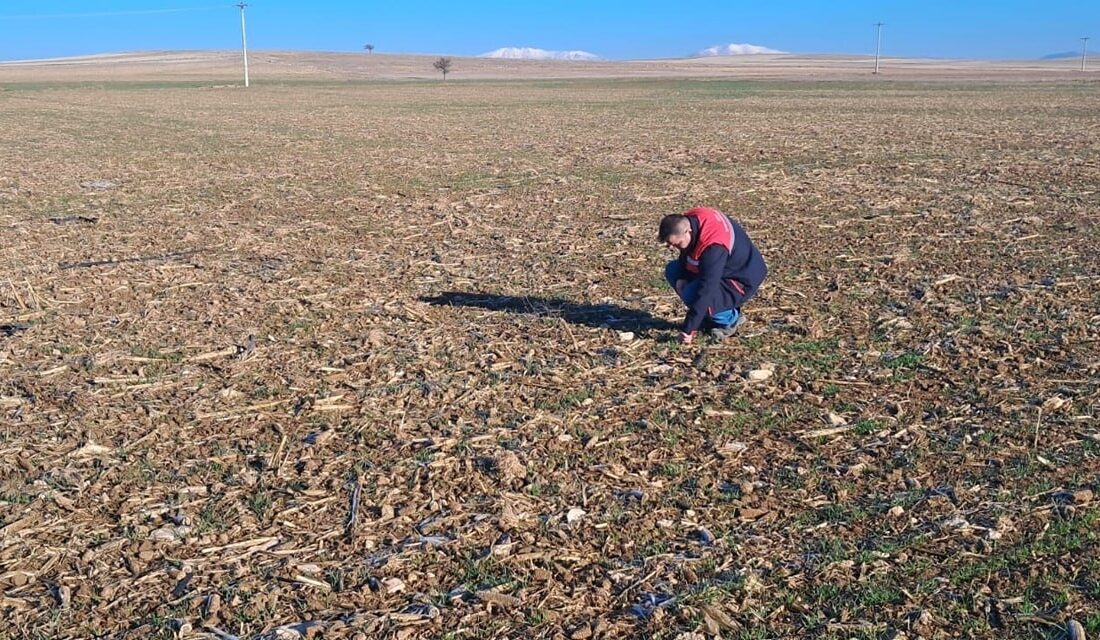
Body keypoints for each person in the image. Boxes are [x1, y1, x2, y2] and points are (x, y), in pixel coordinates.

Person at [658, 207, 767, 344]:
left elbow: (706, 289)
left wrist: (688, 329)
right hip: (720, 267)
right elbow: (688, 252)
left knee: (692, 294)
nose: (672, 248)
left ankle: (731, 319)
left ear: (688, 231)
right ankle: (706, 314)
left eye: (677, 244)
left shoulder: (713, 248)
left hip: (741, 277)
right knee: (674, 270)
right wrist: (682, 276)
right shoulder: (693, 218)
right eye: (669, 244)